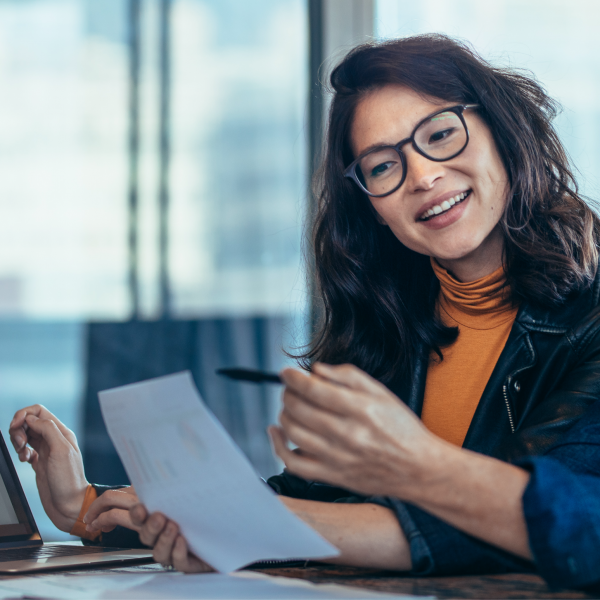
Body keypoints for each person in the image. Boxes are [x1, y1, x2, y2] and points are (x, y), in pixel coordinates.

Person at [8, 34, 600, 585]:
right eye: (383, 166)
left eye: (441, 134)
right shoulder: (386, 323)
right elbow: (314, 505)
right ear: (372, 205)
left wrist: (412, 464)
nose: (421, 175)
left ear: (502, 129)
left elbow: (567, 522)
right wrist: (84, 505)